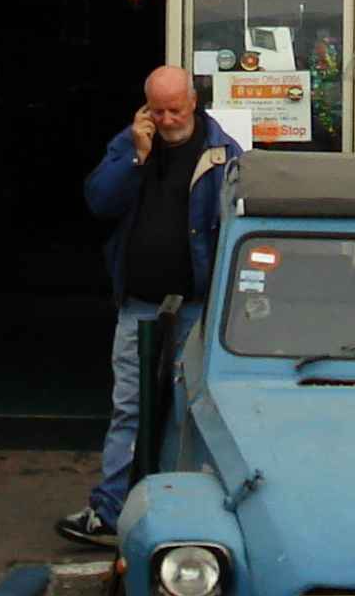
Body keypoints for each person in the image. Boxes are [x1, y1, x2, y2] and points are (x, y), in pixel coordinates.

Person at [58, 64, 245, 549]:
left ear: (194, 102)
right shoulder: (131, 144)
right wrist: (137, 159)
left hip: (197, 309)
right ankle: (109, 513)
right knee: (129, 411)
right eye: (157, 111)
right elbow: (99, 202)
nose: (166, 120)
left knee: (191, 412)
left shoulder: (223, 154)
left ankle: (187, 515)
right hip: (140, 305)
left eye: (175, 109)